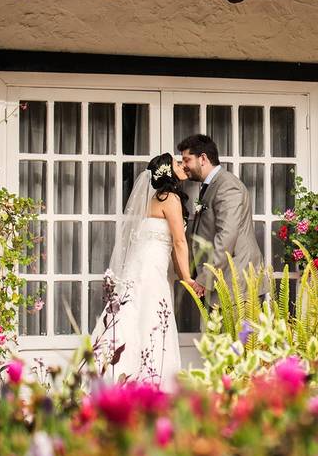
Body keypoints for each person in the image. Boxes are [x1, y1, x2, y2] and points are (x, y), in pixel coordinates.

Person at [91, 153, 190, 388]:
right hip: (151, 268)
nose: (181, 165)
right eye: (176, 163)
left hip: (140, 264)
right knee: (152, 315)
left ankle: (116, 374)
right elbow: (179, 242)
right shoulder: (171, 199)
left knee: (132, 314)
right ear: (167, 171)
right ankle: (151, 380)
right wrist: (187, 278)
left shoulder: (153, 200)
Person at [178, 134, 264, 304]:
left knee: (238, 332)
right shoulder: (209, 186)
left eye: (187, 160)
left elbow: (227, 235)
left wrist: (205, 278)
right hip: (221, 280)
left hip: (236, 283)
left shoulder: (227, 186)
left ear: (203, 158)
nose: (183, 165)